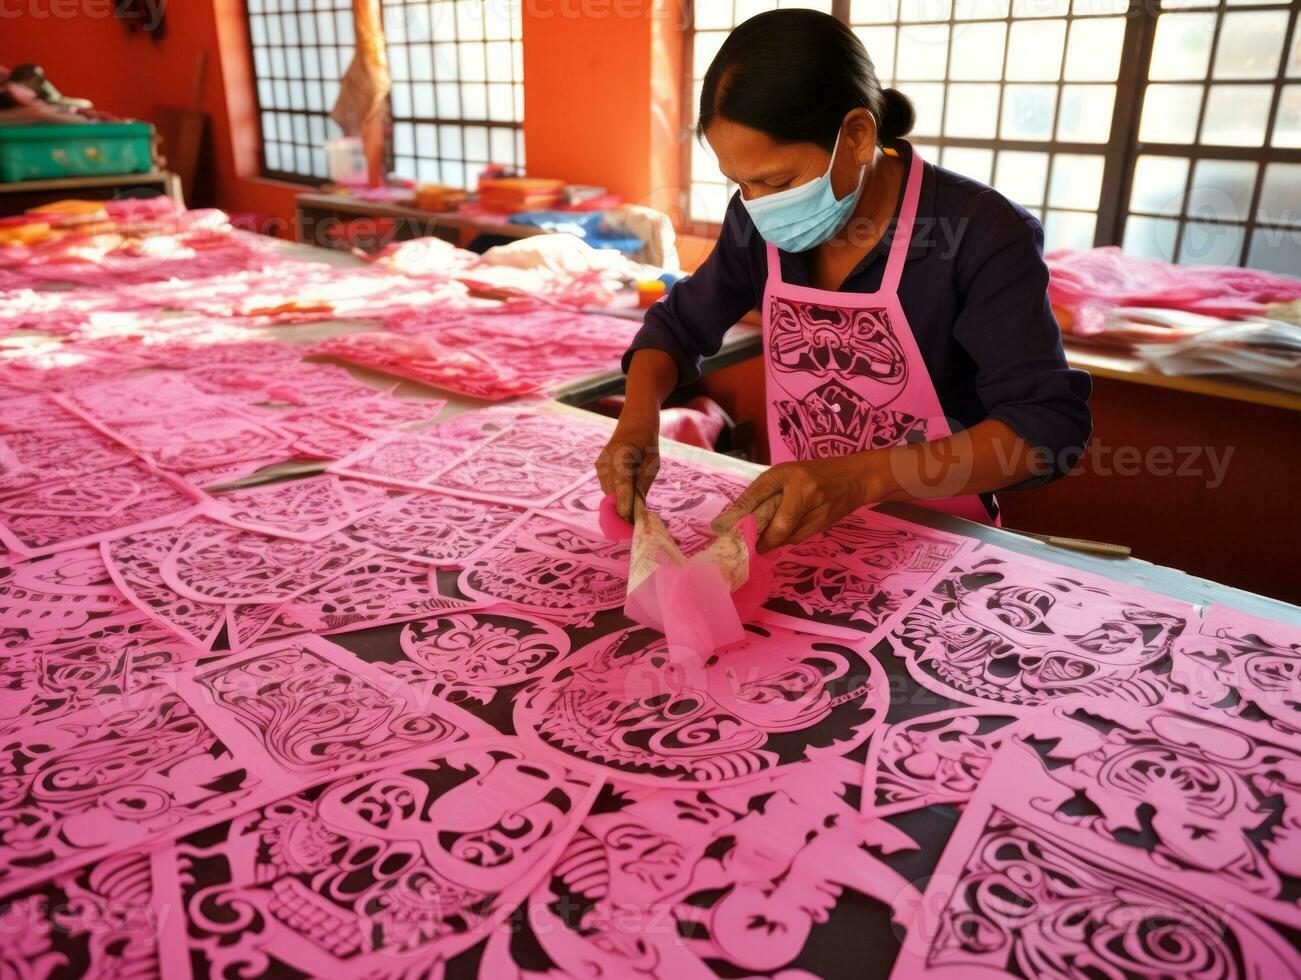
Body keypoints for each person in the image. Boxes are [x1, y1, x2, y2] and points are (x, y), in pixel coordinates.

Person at [595, 9, 1092, 552]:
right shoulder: (757, 219)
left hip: (940, 544)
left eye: (777, 180)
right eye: (739, 184)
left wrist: (858, 477)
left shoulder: (976, 232)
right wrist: (639, 414)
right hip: (800, 532)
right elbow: (677, 326)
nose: (758, 207)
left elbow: (1044, 430)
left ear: (856, 136)